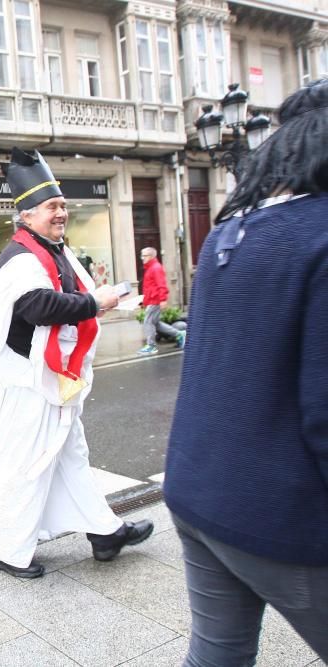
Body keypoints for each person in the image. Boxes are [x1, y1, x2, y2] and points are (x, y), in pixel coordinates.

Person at [164, 79, 328, 664]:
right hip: (281, 514)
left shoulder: (230, 231)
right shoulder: (318, 237)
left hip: (197, 490)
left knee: (217, 654)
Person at [0, 148, 153, 578]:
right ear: (28, 214)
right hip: (25, 382)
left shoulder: (52, 250)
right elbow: (37, 305)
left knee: (71, 455)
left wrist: (97, 303)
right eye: (53, 206)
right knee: (22, 462)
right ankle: (1, 547)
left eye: (63, 206)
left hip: (51, 380)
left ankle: (104, 534)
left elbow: (67, 301)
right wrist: (93, 302)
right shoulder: (21, 256)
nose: (61, 213)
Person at [138, 247, 184, 355]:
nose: (142, 258)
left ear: (151, 256)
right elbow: (149, 287)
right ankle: (180, 333)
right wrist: (144, 302)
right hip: (152, 300)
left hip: (155, 300)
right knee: (156, 323)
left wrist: (163, 299)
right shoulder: (150, 268)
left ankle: (151, 346)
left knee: (148, 322)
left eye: (144, 256)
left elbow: (161, 285)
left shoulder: (156, 268)